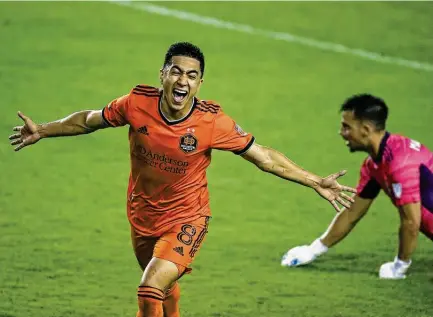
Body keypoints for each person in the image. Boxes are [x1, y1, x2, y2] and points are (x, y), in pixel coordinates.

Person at [9, 42, 355, 317]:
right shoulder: (135, 104)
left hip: (187, 218)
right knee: (162, 286)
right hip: (142, 216)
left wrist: (314, 180)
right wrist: (43, 130)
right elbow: (88, 120)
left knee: (148, 289)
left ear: (200, 83)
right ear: (163, 74)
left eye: (192, 75)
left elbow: (262, 156)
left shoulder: (212, 123)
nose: (183, 81)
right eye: (176, 72)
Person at [281, 94, 433, 280]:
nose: (341, 132)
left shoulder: (400, 163)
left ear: (366, 129)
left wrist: (399, 266)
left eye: (346, 127)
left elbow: (411, 222)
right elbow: (352, 212)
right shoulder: (375, 164)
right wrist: (313, 250)